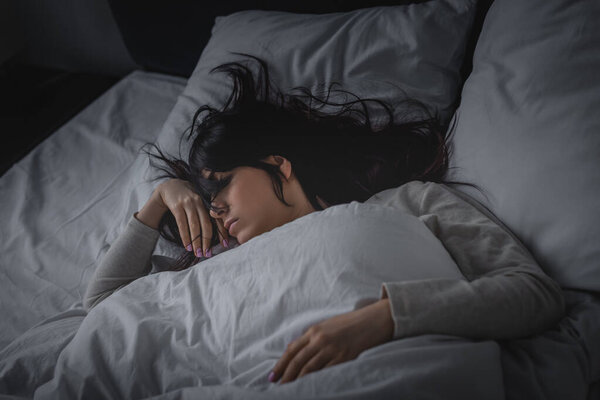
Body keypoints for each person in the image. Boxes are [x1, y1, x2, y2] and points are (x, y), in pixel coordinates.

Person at [83, 53, 565, 385]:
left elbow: (533, 293)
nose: (216, 209)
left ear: (278, 164)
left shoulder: (407, 204)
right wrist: (159, 202)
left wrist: (386, 317)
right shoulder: (219, 256)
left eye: (222, 183)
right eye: (207, 197)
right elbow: (105, 308)